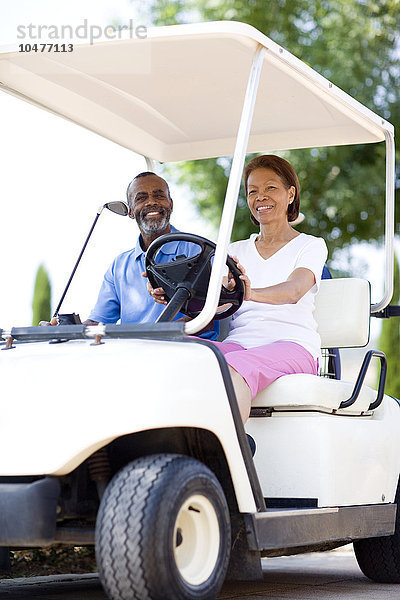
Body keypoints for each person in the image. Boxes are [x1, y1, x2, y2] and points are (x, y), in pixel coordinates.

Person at [151, 155, 327, 423]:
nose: (260, 197)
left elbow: (294, 290)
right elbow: (216, 305)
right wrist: (177, 299)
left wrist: (250, 293)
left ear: (290, 194)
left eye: (270, 188)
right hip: (241, 345)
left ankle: (227, 457)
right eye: (252, 191)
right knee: (176, 352)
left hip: (293, 346)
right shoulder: (234, 251)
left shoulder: (310, 246)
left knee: (232, 368)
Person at [44, 172, 219, 340]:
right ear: (130, 212)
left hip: (191, 349)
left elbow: (208, 318)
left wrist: (161, 334)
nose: (151, 202)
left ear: (170, 204)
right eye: (141, 198)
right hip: (135, 352)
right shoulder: (119, 266)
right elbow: (98, 322)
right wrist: (64, 330)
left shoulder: (198, 251)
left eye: (159, 196)